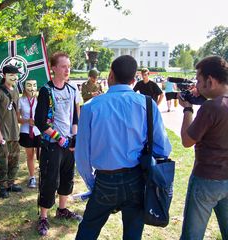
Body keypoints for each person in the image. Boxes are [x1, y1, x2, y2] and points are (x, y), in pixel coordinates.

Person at [75, 55, 171, 240]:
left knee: (88, 230)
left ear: (110, 75)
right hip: (136, 178)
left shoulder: (91, 107)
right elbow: (163, 149)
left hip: (105, 179)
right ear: (134, 79)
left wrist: (91, 183)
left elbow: (81, 155)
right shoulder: (147, 104)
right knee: (133, 233)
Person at [179, 56, 228, 240]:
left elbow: (186, 140)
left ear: (211, 81)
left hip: (206, 179)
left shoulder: (211, 107)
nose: (197, 86)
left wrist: (187, 108)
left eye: (199, 81)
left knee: (192, 235)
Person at [34, 52, 81, 236]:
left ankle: (62, 210)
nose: (67, 69)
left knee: (67, 177)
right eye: (63, 66)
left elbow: (75, 117)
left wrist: (74, 137)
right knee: (49, 180)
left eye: (69, 66)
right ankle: (43, 217)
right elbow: (40, 121)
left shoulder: (71, 89)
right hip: (52, 145)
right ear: (53, 68)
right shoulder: (46, 90)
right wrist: (59, 138)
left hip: (69, 144)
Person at [0, 65, 22, 199]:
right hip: (2, 131)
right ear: (4, 76)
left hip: (14, 131)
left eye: (16, 75)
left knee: (14, 158)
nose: (14, 77)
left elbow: (16, 111)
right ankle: (2, 186)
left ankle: (10, 183)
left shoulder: (15, 91)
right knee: (3, 160)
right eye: (11, 75)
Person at [17, 79, 40, 188]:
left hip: (38, 131)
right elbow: (17, 118)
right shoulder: (21, 101)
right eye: (29, 86)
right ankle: (32, 177)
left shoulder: (39, 100)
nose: (31, 89)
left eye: (33, 86)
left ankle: (43, 175)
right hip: (26, 131)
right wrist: (27, 121)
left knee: (40, 155)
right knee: (30, 155)